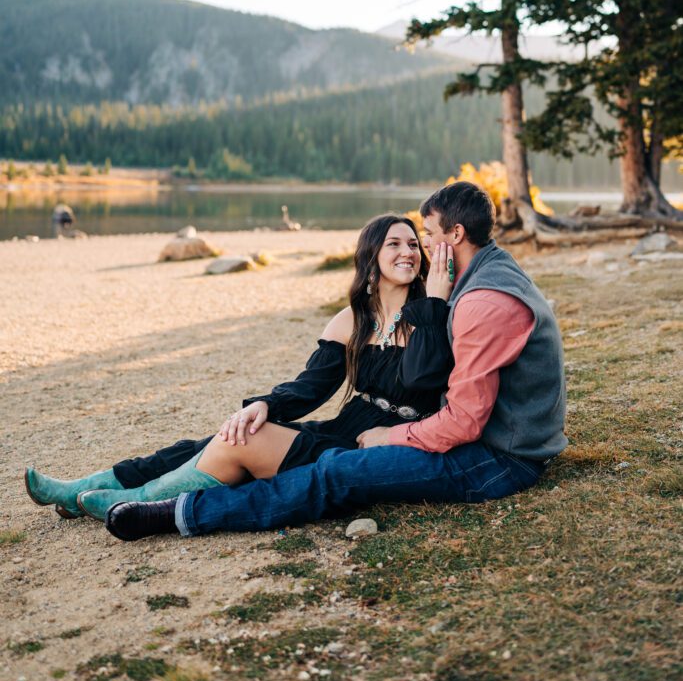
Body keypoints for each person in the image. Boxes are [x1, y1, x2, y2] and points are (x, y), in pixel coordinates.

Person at [103, 180, 568, 542]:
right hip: (496, 439)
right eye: (405, 241)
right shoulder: (485, 275)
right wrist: (268, 402)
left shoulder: (479, 299)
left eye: (424, 236)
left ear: (456, 235)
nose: (420, 248)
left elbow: (463, 421)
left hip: (500, 459)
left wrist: (393, 434)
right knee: (266, 442)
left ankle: (181, 513)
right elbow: (314, 384)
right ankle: (127, 487)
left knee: (338, 471)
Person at [25, 214, 455, 522]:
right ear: (371, 257)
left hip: (385, 444)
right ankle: (91, 487)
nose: (407, 252)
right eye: (393, 244)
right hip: (347, 426)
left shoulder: (433, 314)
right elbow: (309, 388)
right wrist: (265, 404)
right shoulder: (351, 321)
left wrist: (434, 304)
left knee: (241, 440)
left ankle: (136, 501)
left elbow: (424, 378)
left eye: (413, 243)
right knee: (225, 433)